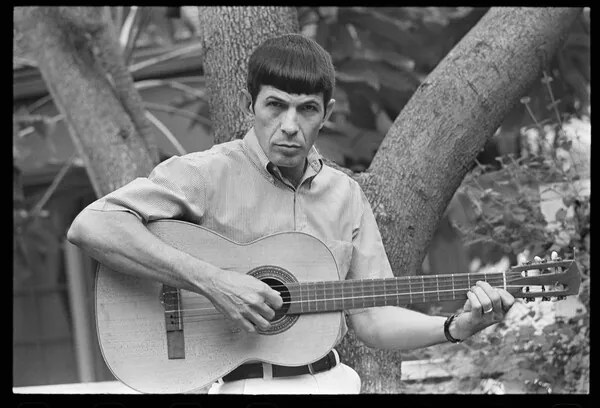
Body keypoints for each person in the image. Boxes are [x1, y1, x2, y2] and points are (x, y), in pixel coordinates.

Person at [68, 33, 519, 394]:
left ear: (326, 114)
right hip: (243, 387)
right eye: (275, 105)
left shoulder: (345, 195)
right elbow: (92, 226)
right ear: (251, 106)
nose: (289, 124)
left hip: (333, 382)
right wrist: (212, 280)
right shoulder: (203, 174)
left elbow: (375, 320)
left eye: (306, 109)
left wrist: (456, 327)